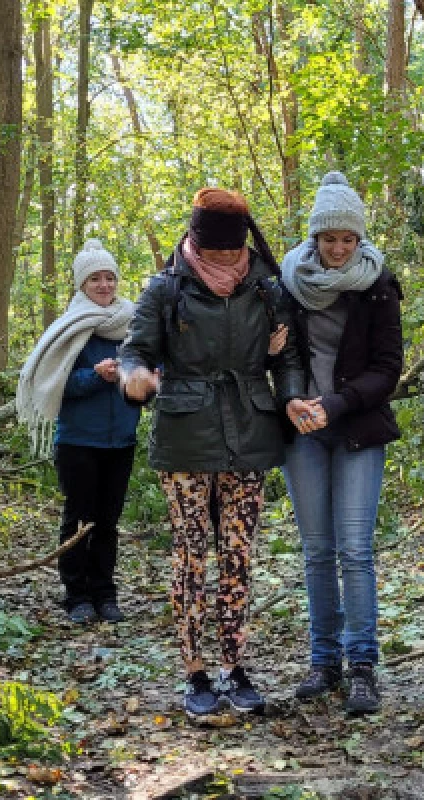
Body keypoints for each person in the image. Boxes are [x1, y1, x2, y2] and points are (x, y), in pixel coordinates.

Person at [118, 188, 306, 720]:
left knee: (239, 553)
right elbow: (136, 349)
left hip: (250, 431)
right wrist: (134, 376)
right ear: (197, 242)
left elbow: (287, 355)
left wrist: (291, 396)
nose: (226, 261)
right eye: (216, 252)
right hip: (184, 433)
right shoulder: (165, 288)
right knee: (190, 553)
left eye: (233, 252)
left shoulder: (265, 289)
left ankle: (234, 665)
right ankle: (194, 671)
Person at [279, 172, 403, 715]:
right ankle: (322, 661)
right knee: (315, 552)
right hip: (300, 430)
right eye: (329, 238)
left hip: (356, 429)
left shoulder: (378, 284)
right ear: (314, 238)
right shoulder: (286, 282)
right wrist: (293, 398)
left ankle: (362, 667)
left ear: (359, 240)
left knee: (356, 552)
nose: (337, 248)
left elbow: (387, 369)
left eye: (347, 239)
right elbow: (277, 358)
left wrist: (337, 403)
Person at [16, 239, 140, 625]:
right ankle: (76, 596)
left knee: (108, 521)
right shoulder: (68, 328)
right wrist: (95, 377)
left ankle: (106, 594)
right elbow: (52, 385)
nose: (104, 285)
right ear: (82, 285)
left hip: (121, 439)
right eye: (95, 280)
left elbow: (146, 376)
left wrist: (144, 380)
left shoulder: (133, 323)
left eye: (109, 278)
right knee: (78, 519)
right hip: (77, 441)